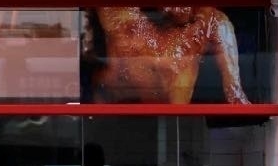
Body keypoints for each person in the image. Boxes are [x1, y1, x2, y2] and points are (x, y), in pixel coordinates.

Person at [82, 6, 250, 105]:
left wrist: (235, 92)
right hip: (116, 102)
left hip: (169, 111)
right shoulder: (124, 20)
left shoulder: (203, 24)